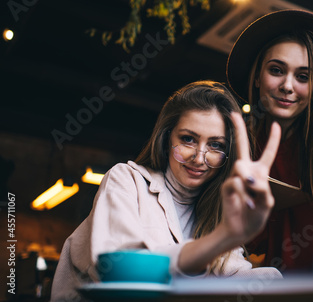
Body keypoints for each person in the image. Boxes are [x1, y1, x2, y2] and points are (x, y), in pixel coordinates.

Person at [50, 81, 282, 302]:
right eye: (188, 139)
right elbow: (124, 275)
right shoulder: (125, 180)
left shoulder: (217, 209)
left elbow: (236, 277)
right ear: (166, 138)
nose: (199, 158)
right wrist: (222, 237)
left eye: (216, 145)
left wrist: (276, 283)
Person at [226, 10, 313, 271]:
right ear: (258, 77)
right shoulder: (237, 145)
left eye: (303, 76)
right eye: (276, 70)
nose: (287, 85)